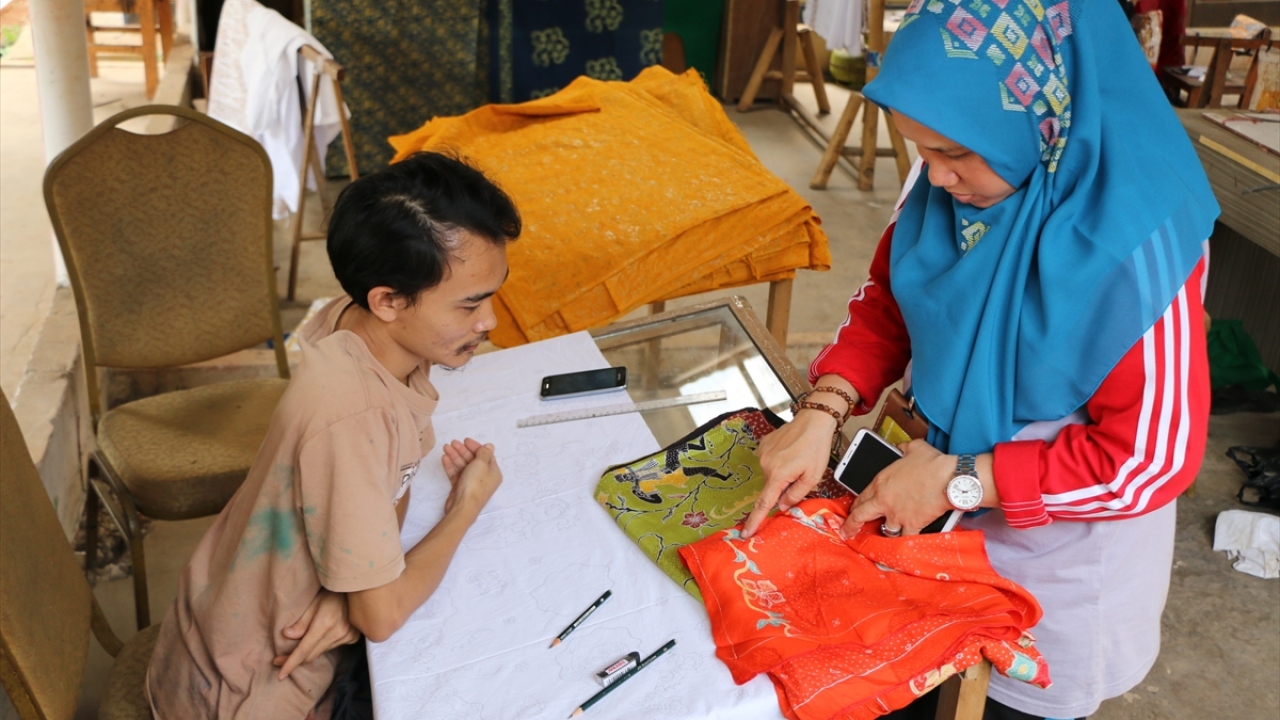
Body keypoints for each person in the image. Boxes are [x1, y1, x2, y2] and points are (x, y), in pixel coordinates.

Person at [741, 1, 1218, 719]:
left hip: (1049, 571)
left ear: (1044, 117)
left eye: (954, 154)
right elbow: (889, 301)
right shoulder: (949, 177)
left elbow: (1148, 459)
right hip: (923, 515)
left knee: (997, 705)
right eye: (921, 150)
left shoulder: (1139, 245)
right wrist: (824, 408)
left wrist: (962, 481)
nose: (933, 178)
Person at [147, 152, 521, 719]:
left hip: (236, 622)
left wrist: (348, 601)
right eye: (469, 303)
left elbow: (386, 502)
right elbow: (384, 615)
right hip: (249, 688)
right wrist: (464, 506)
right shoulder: (352, 414)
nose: (488, 320)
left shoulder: (353, 324)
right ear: (388, 300)